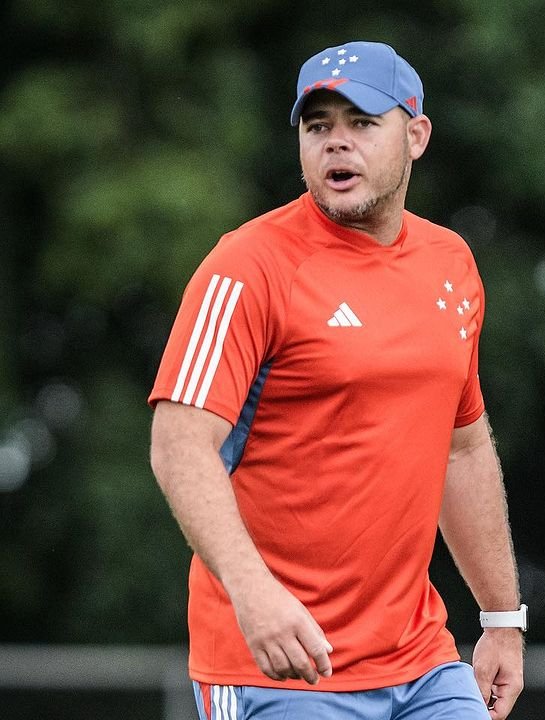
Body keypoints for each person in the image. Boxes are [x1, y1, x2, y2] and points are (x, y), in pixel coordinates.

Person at [148, 41, 525, 720]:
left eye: (361, 122)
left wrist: (502, 618)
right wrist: (252, 593)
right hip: (278, 667)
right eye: (318, 126)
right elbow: (179, 445)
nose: (336, 143)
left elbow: (462, 449)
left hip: (421, 660)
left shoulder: (451, 263)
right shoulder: (248, 266)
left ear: (416, 136)